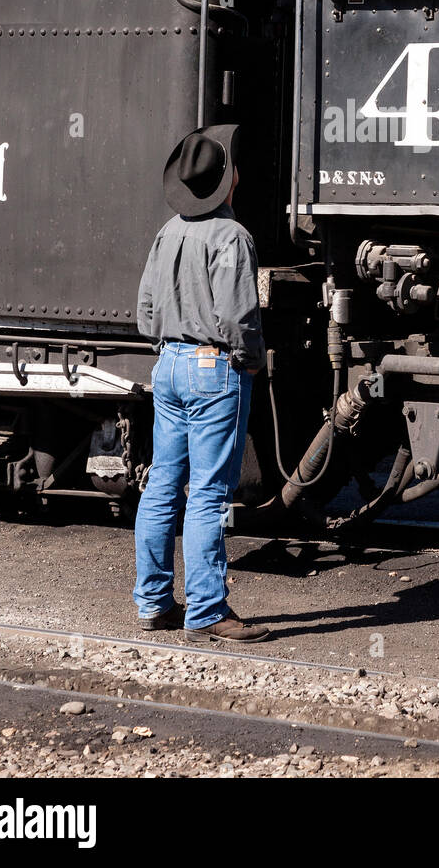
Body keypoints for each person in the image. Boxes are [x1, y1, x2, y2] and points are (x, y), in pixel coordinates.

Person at [134, 123, 270, 644]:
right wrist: (250, 359)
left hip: (168, 363)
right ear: (230, 181)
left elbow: (146, 312)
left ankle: (153, 602)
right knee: (209, 493)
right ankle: (208, 610)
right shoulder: (231, 236)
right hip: (214, 368)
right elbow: (239, 317)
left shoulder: (169, 231)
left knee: (163, 484)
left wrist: (172, 346)